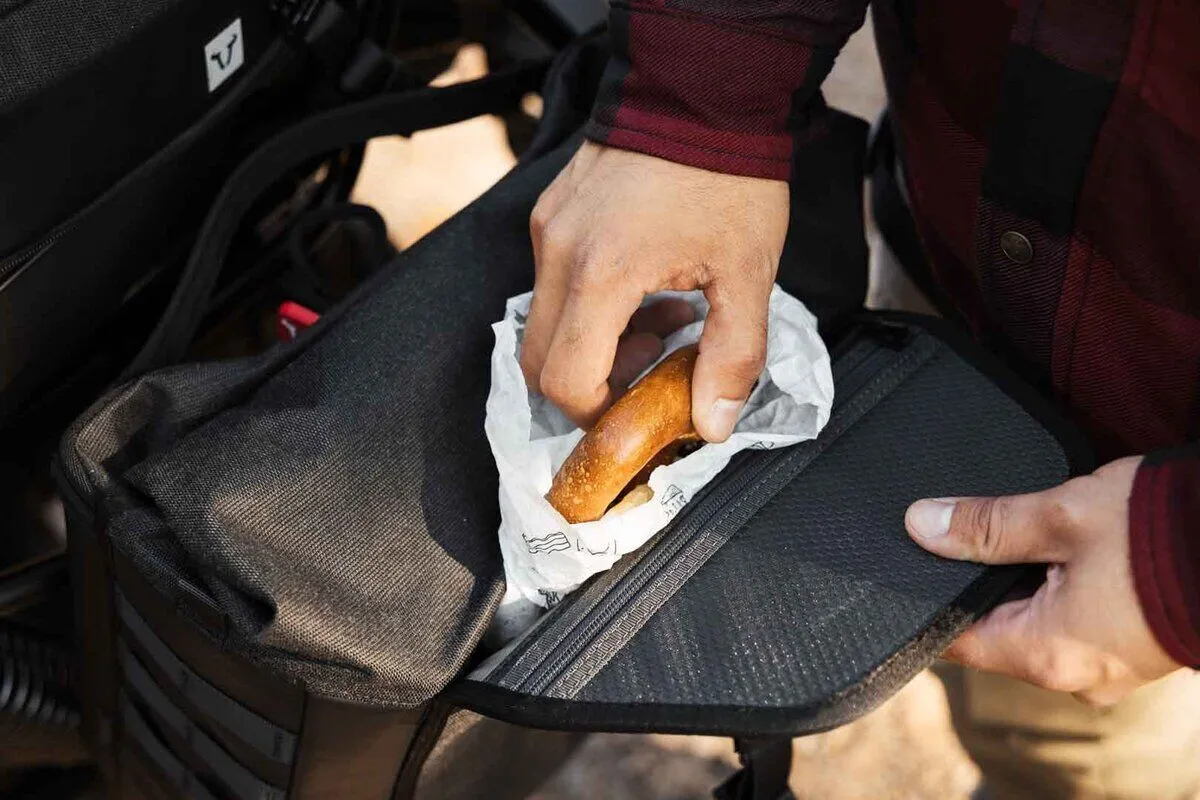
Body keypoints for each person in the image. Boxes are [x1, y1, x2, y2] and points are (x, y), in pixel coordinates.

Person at [519, 2, 1200, 798]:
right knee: (975, 670)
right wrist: (697, 105)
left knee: (1074, 752)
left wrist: (1176, 559)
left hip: (1143, 471)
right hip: (943, 272)